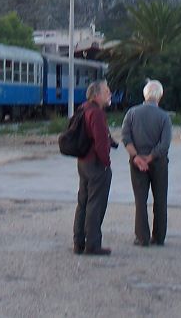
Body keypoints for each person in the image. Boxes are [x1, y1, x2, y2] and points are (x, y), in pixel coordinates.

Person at [122, 79, 172, 247]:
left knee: (140, 200)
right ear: (160, 96)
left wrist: (137, 157)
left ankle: (142, 237)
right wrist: (150, 158)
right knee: (160, 199)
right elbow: (164, 144)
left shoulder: (131, 113)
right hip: (158, 163)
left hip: (136, 162)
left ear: (144, 95)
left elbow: (125, 137)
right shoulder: (164, 117)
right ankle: (158, 237)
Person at [73, 80, 117, 255]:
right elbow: (100, 142)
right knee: (95, 204)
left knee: (83, 203)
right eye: (107, 91)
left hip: (83, 162)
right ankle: (93, 244)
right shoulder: (97, 113)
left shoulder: (82, 109)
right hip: (96, 163)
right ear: (97, 95)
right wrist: (106, 162)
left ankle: (79, 242)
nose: (110, 94)